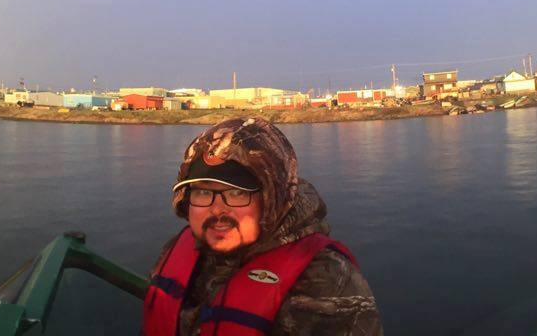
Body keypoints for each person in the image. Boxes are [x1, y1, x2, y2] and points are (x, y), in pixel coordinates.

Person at [141, 117, 382, 335]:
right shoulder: (178, 250)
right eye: (203, 192)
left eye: (237, 193)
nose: (217, 210)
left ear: (271, 197)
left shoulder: (324, 282)